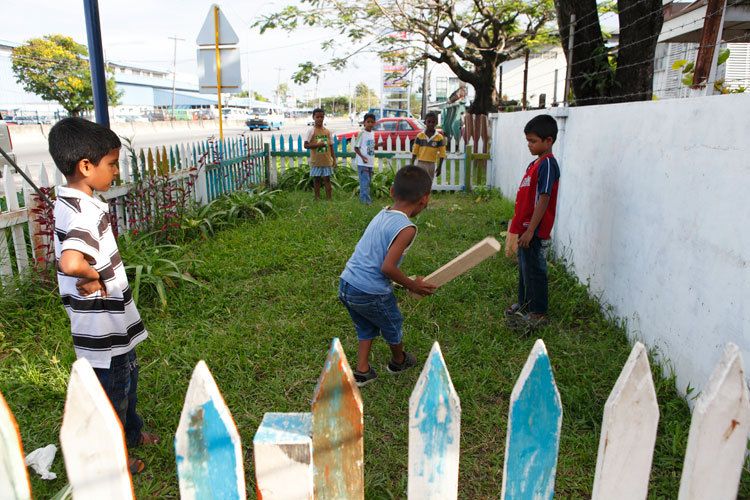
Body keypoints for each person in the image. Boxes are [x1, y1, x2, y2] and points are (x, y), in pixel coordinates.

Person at [48, 117, 159, 475]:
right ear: (85, 166)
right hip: (100, 324)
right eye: (111, 165)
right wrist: (92, 274)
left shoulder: (71, 202)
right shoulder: (84, 211)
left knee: (128, 377)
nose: (115, 172)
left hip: (109, 319)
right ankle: (113, 453)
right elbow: (71, 260)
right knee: (114, 390)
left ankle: (132, 431)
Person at [339, 166, 437, 387]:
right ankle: (398, 361)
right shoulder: (407, 228)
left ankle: (363, 371)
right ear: (425, 199)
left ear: (392, 191)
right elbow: (387, 268)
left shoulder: (383, 213)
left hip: (347, 283)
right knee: (393, 324)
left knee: (365, 326)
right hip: (370, 290)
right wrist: (413, 285)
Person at [505, 114, 561, 330]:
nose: (529, 145)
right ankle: (525, 303)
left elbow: (544, 198)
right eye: (528, 140)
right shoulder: (534, 164)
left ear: (549, 141)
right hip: (525, 228)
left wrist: (531, 231)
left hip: (534, 231)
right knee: (525, 267)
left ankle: (538, 311)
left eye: (533, 141)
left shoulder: (548, 164)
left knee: (536, 269)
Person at [304, 108, 336, 200]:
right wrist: (318, 145)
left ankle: (329, 199)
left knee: (327, 179)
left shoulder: (327, 131)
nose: (319, 119)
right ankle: (317, 198)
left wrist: (334, 159)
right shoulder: (311, 131)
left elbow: (331, 146)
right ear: (313, 117)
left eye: (321, 117)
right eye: (317, 117)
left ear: (324, 117)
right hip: (316, 161)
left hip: (326, 161)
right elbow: (306, 145)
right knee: (316, 180)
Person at [411, 112, 446, 181]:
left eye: (433, 122)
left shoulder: (439, 137)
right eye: (429, 121)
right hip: (421, 163)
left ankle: (427, 192)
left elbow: (442, 153)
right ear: (425, 122)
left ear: (436, 123)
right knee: (420, 182)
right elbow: (415, 150)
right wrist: (412, 164)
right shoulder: (420, 136)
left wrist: (439, 167)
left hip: (432, 164)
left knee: (429, 182)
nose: (431, 124)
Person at [354, 113, 377, 204]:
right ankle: (365, 202)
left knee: (367, 182)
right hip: (362, 163)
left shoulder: (372, 133)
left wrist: (378, 145)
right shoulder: (361, 133)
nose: (370, 124)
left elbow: (369, 147)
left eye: (372, 122)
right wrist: (363, 157)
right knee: (364, 182)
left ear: (374, 123)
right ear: (364, 123)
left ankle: (366, 200)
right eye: (368, 122)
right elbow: (356, 148)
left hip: (370, 162)